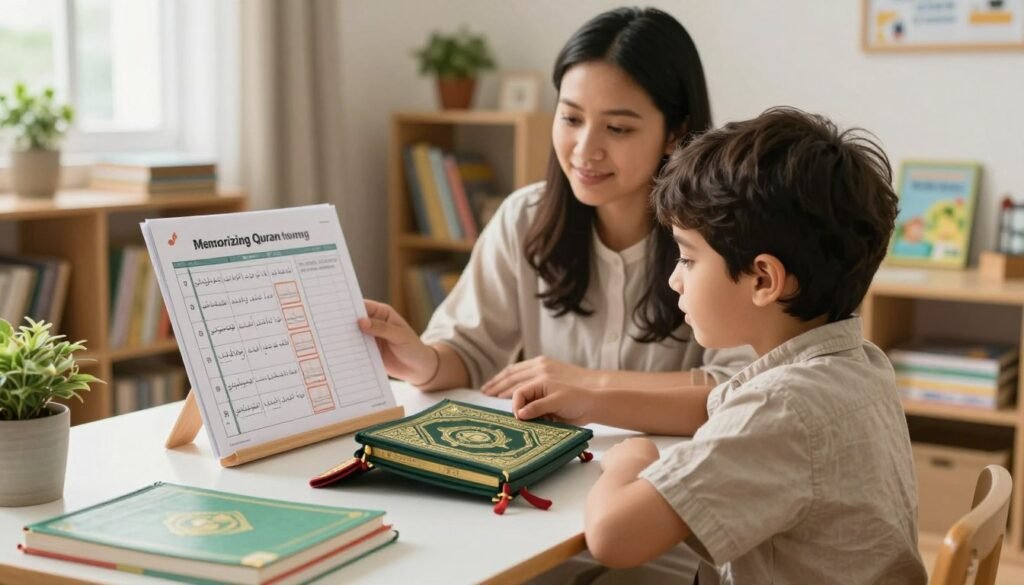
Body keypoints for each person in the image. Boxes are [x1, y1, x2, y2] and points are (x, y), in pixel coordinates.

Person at [513, 107, 929, 584]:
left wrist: (631, 462)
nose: (674, 280)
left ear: (763, 279)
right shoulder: (854, 365)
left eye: (688, 259)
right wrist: (593, 401)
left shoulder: (783, 409)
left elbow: (613, 537)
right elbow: (717, 408)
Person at [358, 7, 752, 414]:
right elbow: (468, 352)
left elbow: (741, 389)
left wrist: (588, 386)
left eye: (617, 128)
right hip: (553, 469)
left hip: (669, 469)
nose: (585, 150)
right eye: (570, 118)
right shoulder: (524, 218)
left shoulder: (721, 234)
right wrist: (422, 361)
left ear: (676, 133)